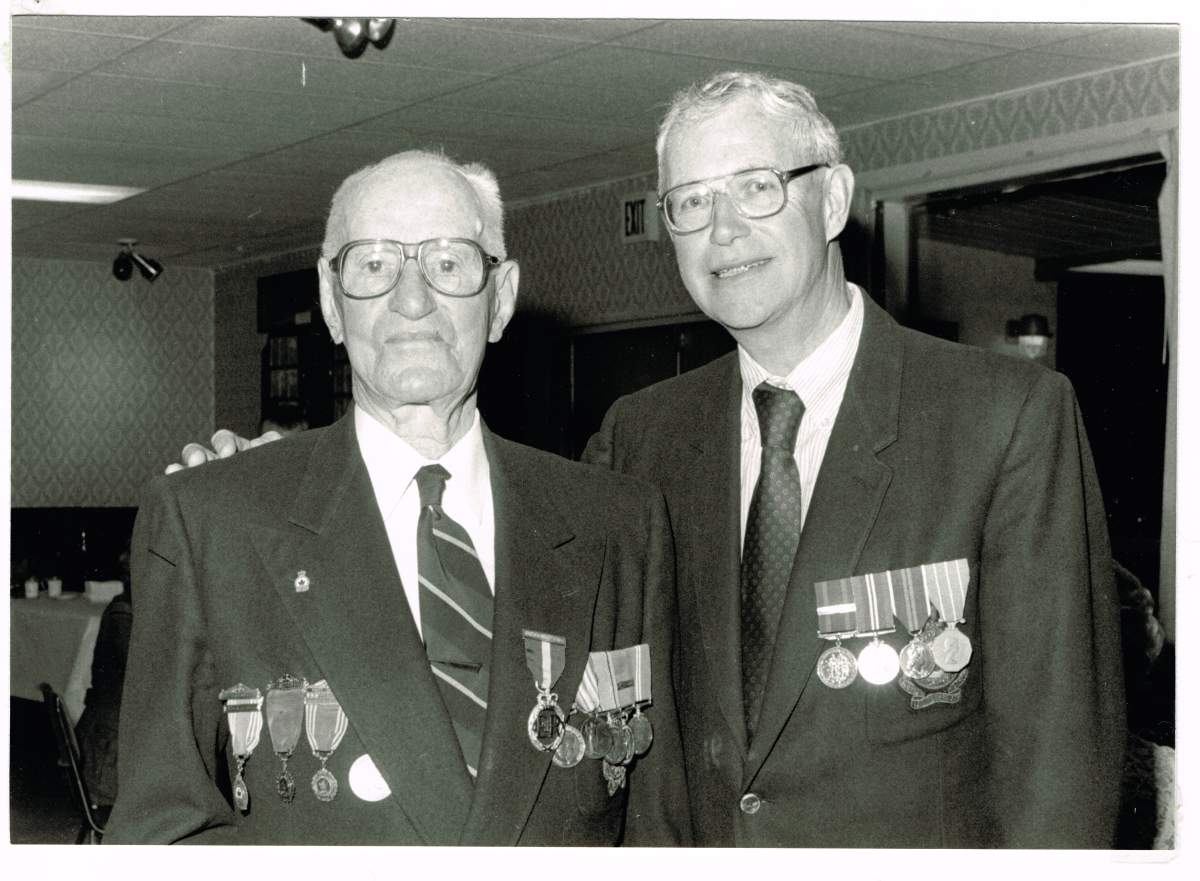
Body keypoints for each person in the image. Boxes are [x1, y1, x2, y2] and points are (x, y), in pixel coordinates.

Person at [173, 71, 1126, 848]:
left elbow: (1063, 771)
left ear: (831, 197)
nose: (723, 233)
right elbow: (507, 555)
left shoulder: (1005, 418)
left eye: (757, 189)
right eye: (689, 204)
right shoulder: (646, 437)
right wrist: (288, 476)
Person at [110, 150, 689, 845]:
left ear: (499, 299)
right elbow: (161, 831)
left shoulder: (615, 523)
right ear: (330, 303)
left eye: (448, 263)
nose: (412, 301)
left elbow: (657, 827)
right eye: (375, 264)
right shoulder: (211, 522)